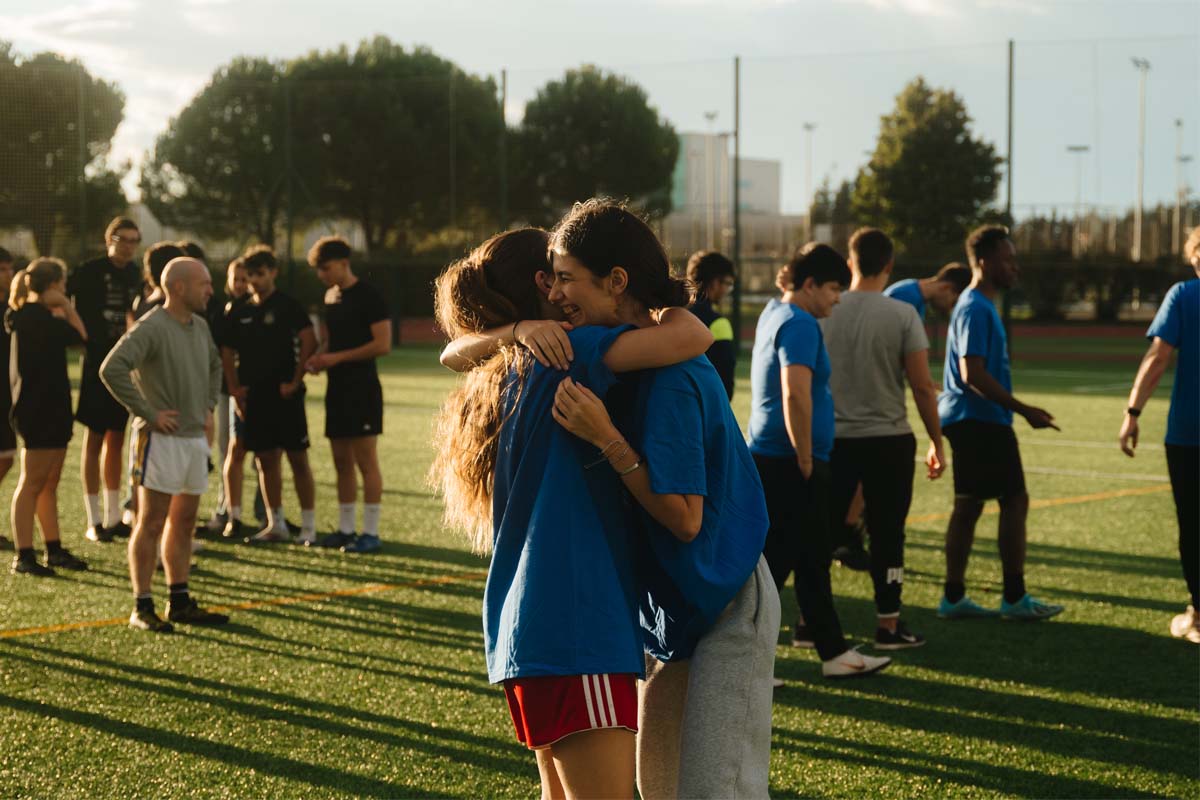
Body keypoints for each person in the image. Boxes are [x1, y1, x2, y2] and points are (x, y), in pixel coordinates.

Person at [431, 225, 713, 800]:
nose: (565, 292)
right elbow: (691, 335)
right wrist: (639, 292)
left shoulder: (505, 367)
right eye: (561, 277)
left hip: (526, 630)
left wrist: (512, 331)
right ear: (544, 283)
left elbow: (453, 351)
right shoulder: (568, 351)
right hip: (577, 624)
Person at [547, 200, 778, 799]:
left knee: (712, 790)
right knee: (661, 787)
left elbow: (683, 518)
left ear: (616, 281)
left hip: (727, 599)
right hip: (679, 610)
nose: (557, 294)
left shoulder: (671, 376)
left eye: (569, 277)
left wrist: (607, 439)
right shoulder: (624, 351)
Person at [748, 244, 891, 679]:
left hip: (775, 457)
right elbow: (795, 392)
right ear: (808, 285)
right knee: (783, 564)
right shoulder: (800, 323)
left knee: (803, 560)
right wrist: (806, 456)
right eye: (832, 288)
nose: (837, 298)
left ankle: (830, 653)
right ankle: (755, 659)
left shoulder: (775, 311)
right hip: (791, 461)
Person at [821, 228, 945, 651]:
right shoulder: (902, 314)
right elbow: (923, 386)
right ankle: (888, 626)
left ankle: (809, 623)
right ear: (889, 266)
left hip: (833, 439)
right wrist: (937, 441)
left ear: (850, 262)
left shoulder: (823, 311)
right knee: (889, 533)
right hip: (888, 439)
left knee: (823, 532)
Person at [938, 225, 1063, 621]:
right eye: (1007, 259)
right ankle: (1013, 597)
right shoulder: (975, 307)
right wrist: (1023, 410)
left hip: (969, 419)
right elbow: (971, 373)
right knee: (1013, 499)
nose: (1015, 267)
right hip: (980, 420)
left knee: (969, 504)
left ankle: (954, 596)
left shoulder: (976, 306)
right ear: (984, 262)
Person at [101, 257, 228, 632]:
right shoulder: (152, 326)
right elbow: (112, 368)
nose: (210, 289)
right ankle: (142, 606)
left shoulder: (200, 326)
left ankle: (180, 600)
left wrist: (207, 405)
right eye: (204, 283)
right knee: (151, 521)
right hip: (158, 439)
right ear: (178, 287)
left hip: (192, 440)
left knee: (185, 521)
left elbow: (215, 366)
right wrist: (149, 412)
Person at [1119, 226, 1200, 643]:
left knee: (1193, 524)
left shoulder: (1184, 296)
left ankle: (1199, 614)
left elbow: (1158, 357)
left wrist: (1132, 411)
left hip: (1189, 434)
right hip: (1187, 433)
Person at [220, 245, 317, 544]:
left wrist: (295, 379)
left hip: (286, 396)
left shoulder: (288, 305)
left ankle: (309, 527)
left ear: (273, 272)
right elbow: (227, 350)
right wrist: (234, 387)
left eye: (260, 274)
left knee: (297, 458)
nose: (254, 280)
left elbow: (309, 339)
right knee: (265, 460)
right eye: (250, 275)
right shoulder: (239, 309)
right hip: (255, 397)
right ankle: (276, 524)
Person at [304, 236, 391, 553]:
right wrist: (320, 359)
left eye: (325, 268)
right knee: (340, 461)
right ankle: (344, 529)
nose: (322, 275)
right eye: (318, 270)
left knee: (365, 461)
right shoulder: (330, 297)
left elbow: (382, 344)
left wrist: (335, 359)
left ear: (343, 262)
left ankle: (370, 532)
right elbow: (332, 343)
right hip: (336, 388)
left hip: (363, 388)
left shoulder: (369, 295)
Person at [7, 258, 91, 576]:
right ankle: (24, 555)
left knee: (48, 484)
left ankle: (53, 549)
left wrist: (60, 307)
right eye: (63, 284)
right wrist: (66, 307)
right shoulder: (30, 315)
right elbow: (83, 337)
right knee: (32, 483)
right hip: (37, 410)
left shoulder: (42, 316)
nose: (66, 290)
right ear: (53, 285)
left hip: (55, 408)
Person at [70, 217, 143, 544]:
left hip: (123, 366)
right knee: (94, 438)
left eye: (134, 240)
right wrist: (81, 336)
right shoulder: (88, 271)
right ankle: (94, 519)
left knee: (117, 437)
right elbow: (61, 298)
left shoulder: (135, 273)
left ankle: (114, 517)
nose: (128, 245)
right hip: (95, 364)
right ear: (109, 238)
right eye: (123, 238)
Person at [213, 258, 265, 540]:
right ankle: (228, 510)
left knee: (263, 454)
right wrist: (232, 388)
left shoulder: (260, 309)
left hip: (255, 391)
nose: (242, 284)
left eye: (246, 278)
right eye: (237, 279)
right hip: (228, 392)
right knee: (229, 451)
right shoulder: (226, 312)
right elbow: (224, 353)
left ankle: (264, 512)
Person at [686, 250, 737, 400]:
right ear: (715, 283)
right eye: (728, 284)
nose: (727, 290)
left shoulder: (670, 314)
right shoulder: (718, 323)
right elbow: (725, 384)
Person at [884, 261, 973, 321]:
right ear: (946, 287)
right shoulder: (906, 297)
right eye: (953, 302)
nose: (950, 308)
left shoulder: (917, 297)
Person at [0, 247, 15, 551]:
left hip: (8, 393)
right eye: (2, 269)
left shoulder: (13, 307)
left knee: (6, 458)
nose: (8, 274)